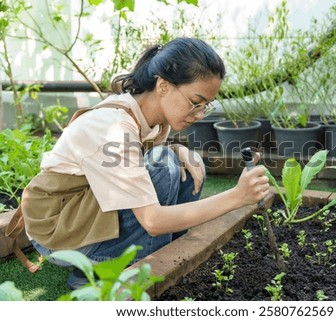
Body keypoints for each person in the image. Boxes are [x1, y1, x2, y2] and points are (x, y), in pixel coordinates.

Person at [20, 37, 270, 289]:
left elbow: (134, 159)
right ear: (163, 86)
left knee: (184, 162)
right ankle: (114, 272)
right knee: (164, 164)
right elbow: (153, 220)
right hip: (58, 233)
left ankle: (166, 256)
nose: (200, 114)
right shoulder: (113, 127)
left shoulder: (152, 118)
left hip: (84, 214)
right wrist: (237, 196)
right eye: (195, 102)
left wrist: (176, 148)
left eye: (206, 105)